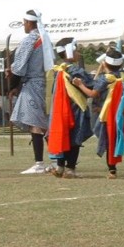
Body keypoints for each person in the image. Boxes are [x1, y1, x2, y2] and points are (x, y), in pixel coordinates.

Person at [73, 47, 124, 179]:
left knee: (110, 140)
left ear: (105, 63)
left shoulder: (105, 79)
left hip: (110, 115)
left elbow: (93, 94)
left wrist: (80, 84)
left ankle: (112, 170)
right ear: (120, 64)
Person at [9, 9, 55, 174]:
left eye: (24, 22)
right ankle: (57, 159)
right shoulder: (45, 38)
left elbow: (19, 67)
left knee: (36, 125)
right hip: (47, 85)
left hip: (33, 85)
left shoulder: (30, 40)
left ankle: (39, 163)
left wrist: (12, 85)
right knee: (46, 125)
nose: (24, 25)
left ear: (29, 22)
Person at [46, 37, 93, 178]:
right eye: (76, 49)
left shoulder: (58, 70)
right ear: (69, 51)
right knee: (75, 138)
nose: (78, 52)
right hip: (75, 108)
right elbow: (90, 85)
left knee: (63, 135)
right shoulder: (75, 70)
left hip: (61, 109)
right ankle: (70, 168)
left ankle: (60, 167)